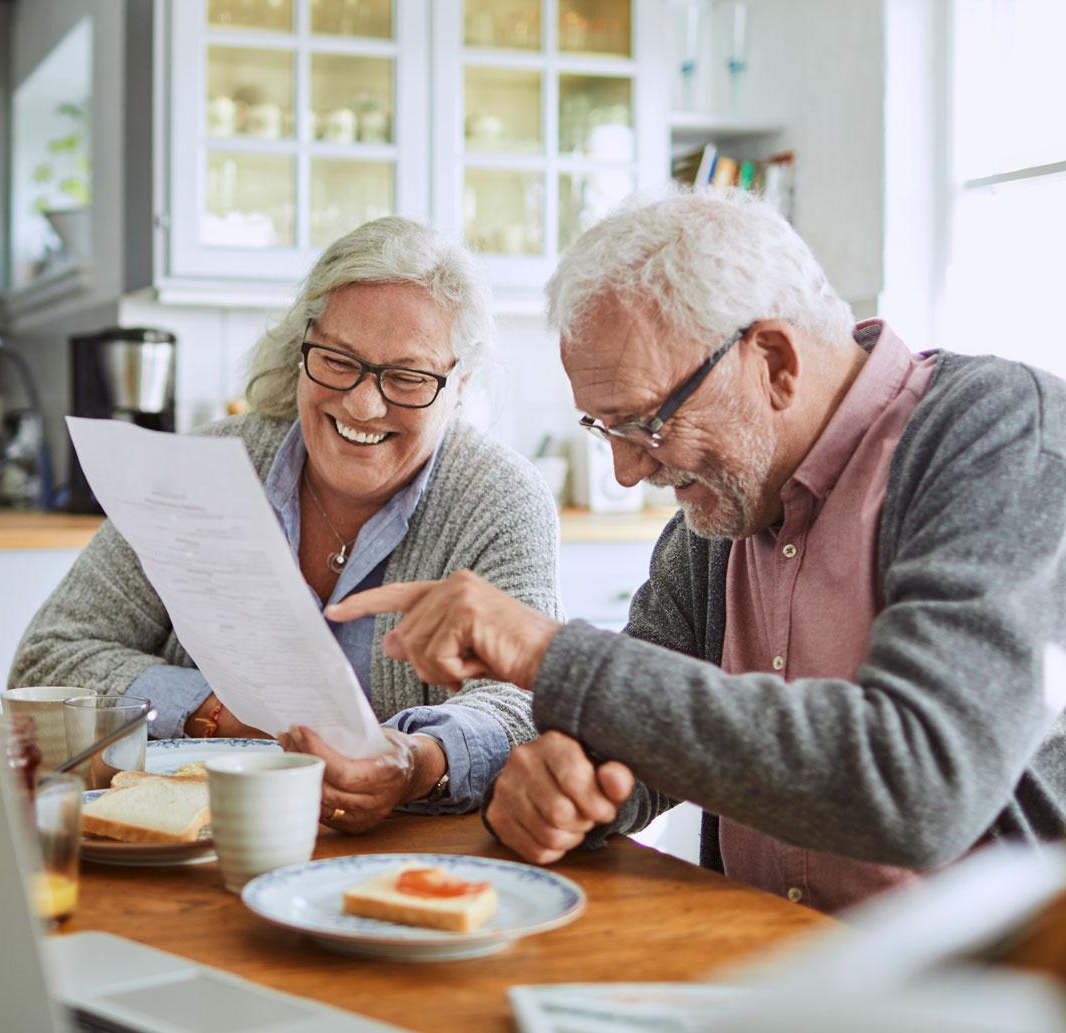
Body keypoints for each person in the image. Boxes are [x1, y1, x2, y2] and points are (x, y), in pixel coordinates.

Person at [328, 191, 1066, 912]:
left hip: (993, 990)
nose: (627, 470)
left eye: (646, 422)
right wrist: (566, 785)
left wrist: (551, 653)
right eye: (604, 428)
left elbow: (923, 787)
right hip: (766, 969)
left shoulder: (996, 437)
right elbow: (635, 740)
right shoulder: (721, 512)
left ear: (774, 360)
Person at [11, 216, 562, 830]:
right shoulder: (202, 469)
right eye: (337, 359)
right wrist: (220, 713)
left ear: (459, 385)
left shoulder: (501, 497)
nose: (362, 404)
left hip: (413, 856)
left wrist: (414, 761)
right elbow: (46, 663)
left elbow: (525, 702)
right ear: (303, 348)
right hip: (193, 844)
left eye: (407, 377)